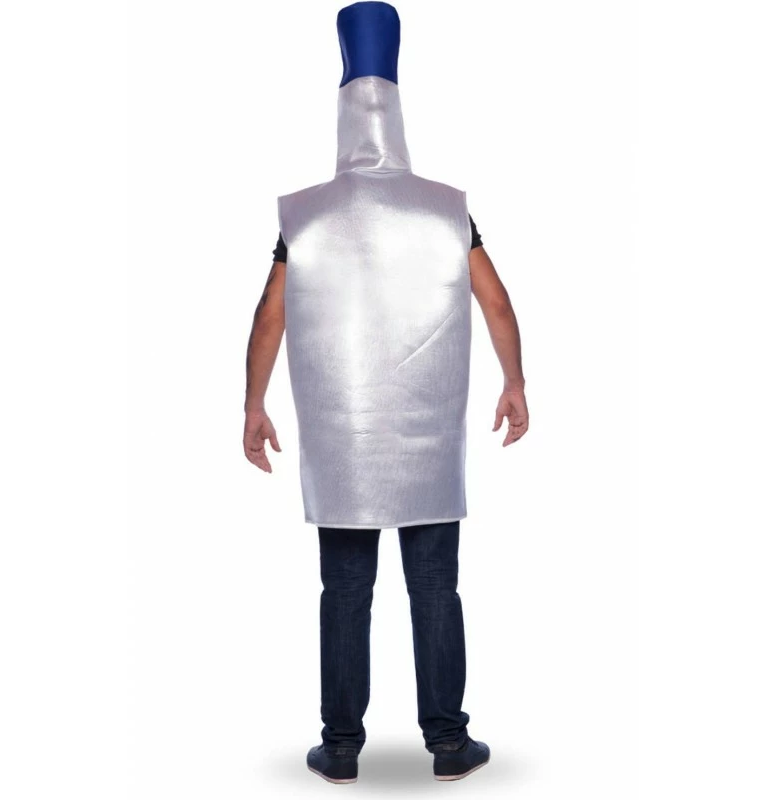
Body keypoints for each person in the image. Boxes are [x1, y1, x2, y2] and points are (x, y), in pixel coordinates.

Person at [242, 0, 528, 784]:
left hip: (343, 435)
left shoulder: (305, 213)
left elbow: (270, 316)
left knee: (344, 590)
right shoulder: (446, 207)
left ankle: (340, 746)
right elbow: (495, 302)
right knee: (435, 585)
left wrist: (253, 404)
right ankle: (448, 743)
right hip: (427, 430)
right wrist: (515, 381)